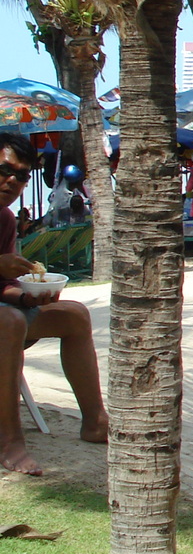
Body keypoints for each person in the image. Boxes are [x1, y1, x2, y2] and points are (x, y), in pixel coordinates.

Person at [0, 133, 107, 474]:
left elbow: (3, 286)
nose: (12, 181)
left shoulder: (4, 218)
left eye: (21, 176)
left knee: (73, 315)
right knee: (10, 322)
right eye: (4, 170)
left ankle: (95, 422)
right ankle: (10, 443)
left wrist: (27, 295)